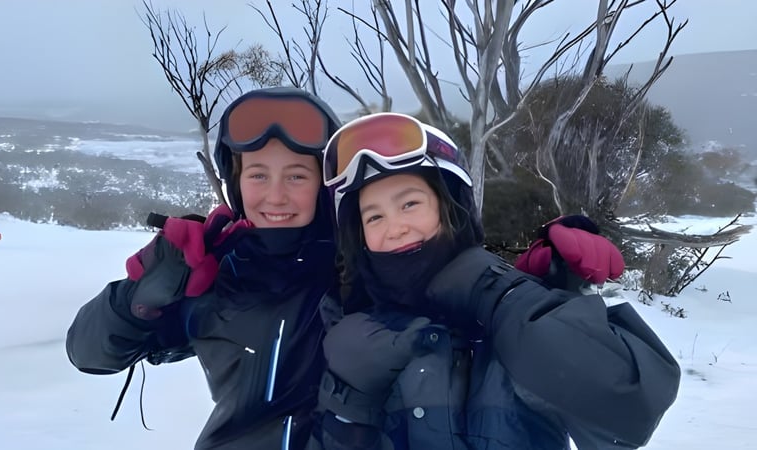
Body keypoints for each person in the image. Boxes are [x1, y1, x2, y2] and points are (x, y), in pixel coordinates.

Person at [312, 113, 680, 449]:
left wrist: (505, 295)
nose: (395, 228)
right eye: (374, 218)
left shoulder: (510, 323)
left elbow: (631, 408)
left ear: (450, 208)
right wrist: (349, 407)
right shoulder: (348, 321)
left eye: (409, 204)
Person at [66, 87, 344, 450]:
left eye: (296, 177)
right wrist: (139, 297)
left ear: (323, 185)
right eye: (258, 175)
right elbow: (90, 355)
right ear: (237, 184)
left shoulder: (357, 269)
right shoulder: (215, 277)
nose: (276, 196)